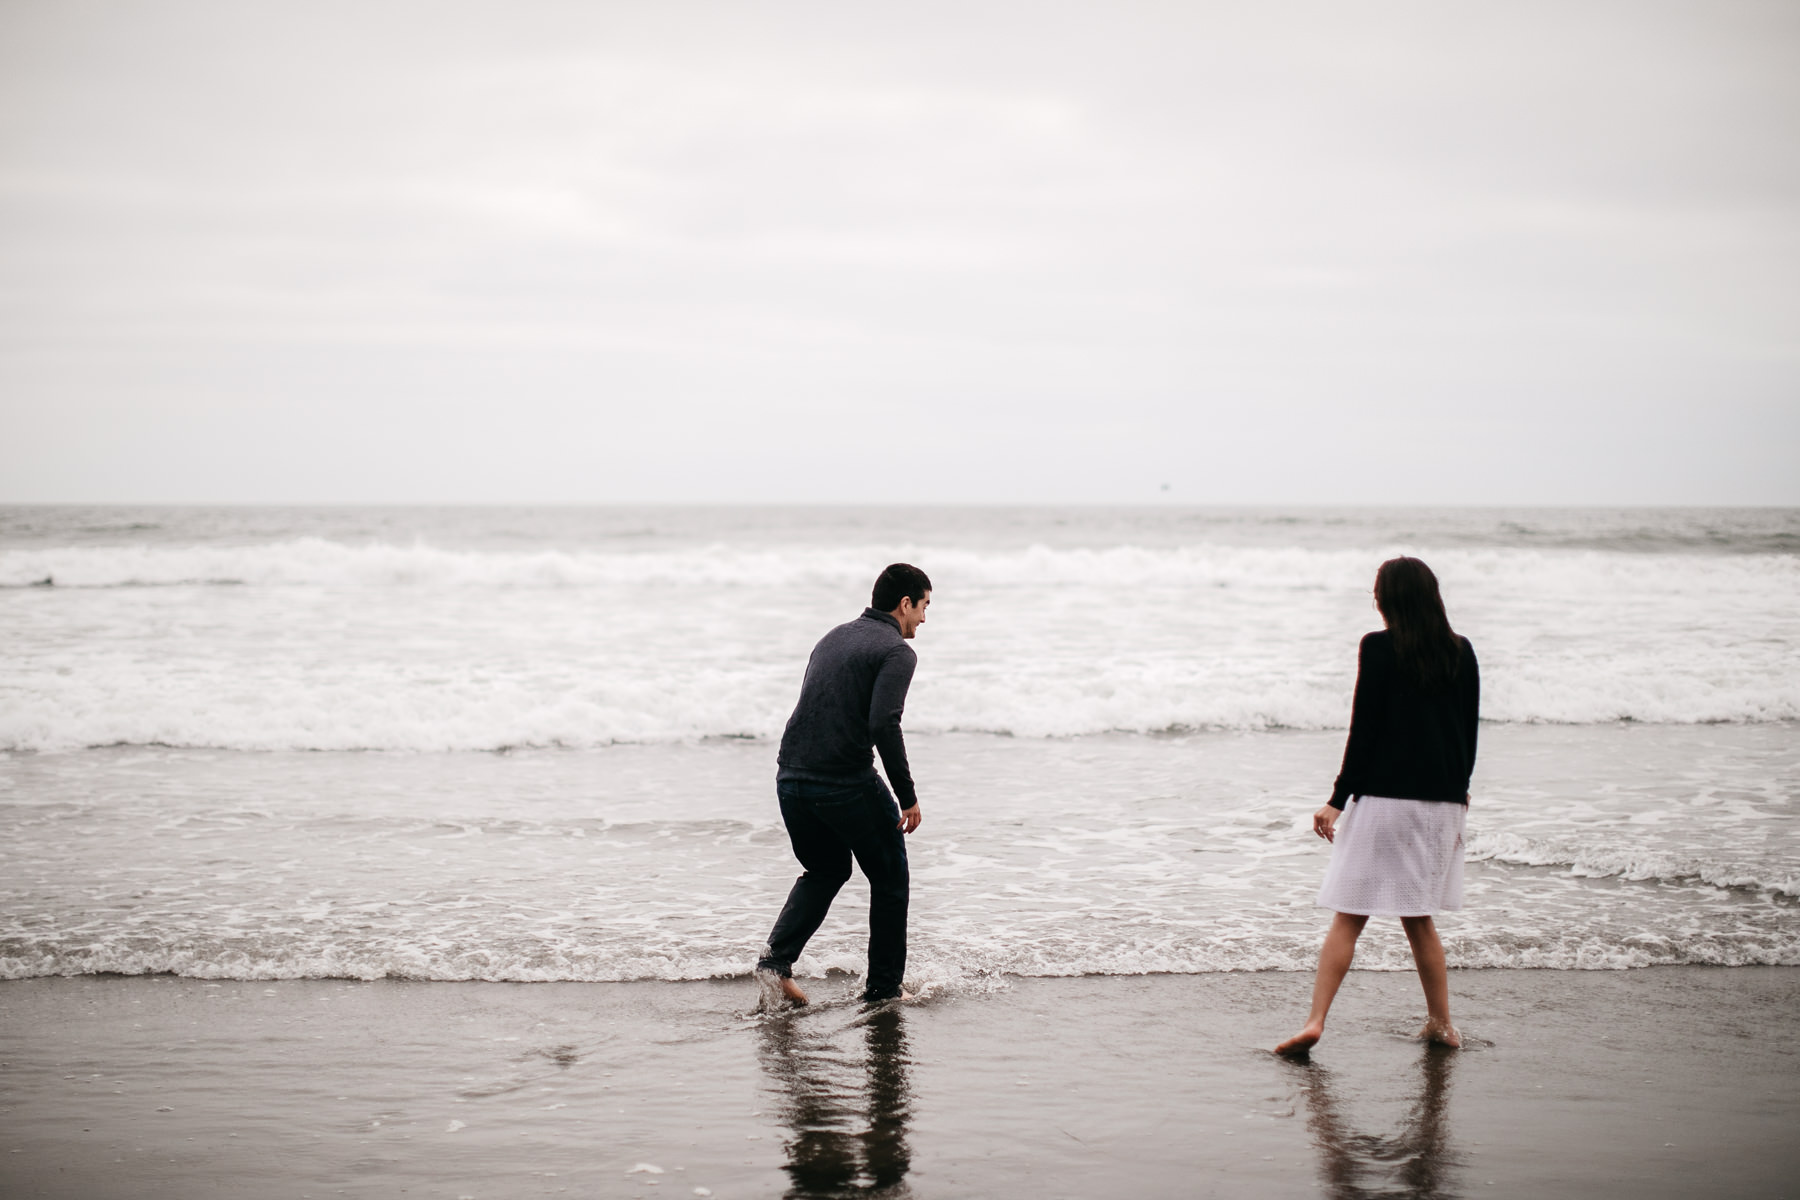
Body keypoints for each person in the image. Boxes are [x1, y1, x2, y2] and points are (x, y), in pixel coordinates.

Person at [1277, 556, 1479, 1056]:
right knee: (1419, 918)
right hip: (1443, 804)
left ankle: (1315, 1021)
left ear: (1389, 599)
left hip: (1387, 802)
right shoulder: (1461, 651)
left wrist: (1336, 799)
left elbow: (1363, 729)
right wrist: (1460, 791)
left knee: (1349, 915)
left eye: (1377, 593)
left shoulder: (1378, 647)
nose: (1374, 600)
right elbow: (1468, 731)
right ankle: (1443, 1025)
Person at [756, 563, 931, 1008]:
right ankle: (884, 991)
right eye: (924, 606)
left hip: (791, 778)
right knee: (891, 877)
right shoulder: (896, 651)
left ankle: (775, 966)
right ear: (904, 603)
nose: (924, 620)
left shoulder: (832, 637)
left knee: (827, 870)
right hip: (843, 781)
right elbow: (883, 723)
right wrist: (906, 797)